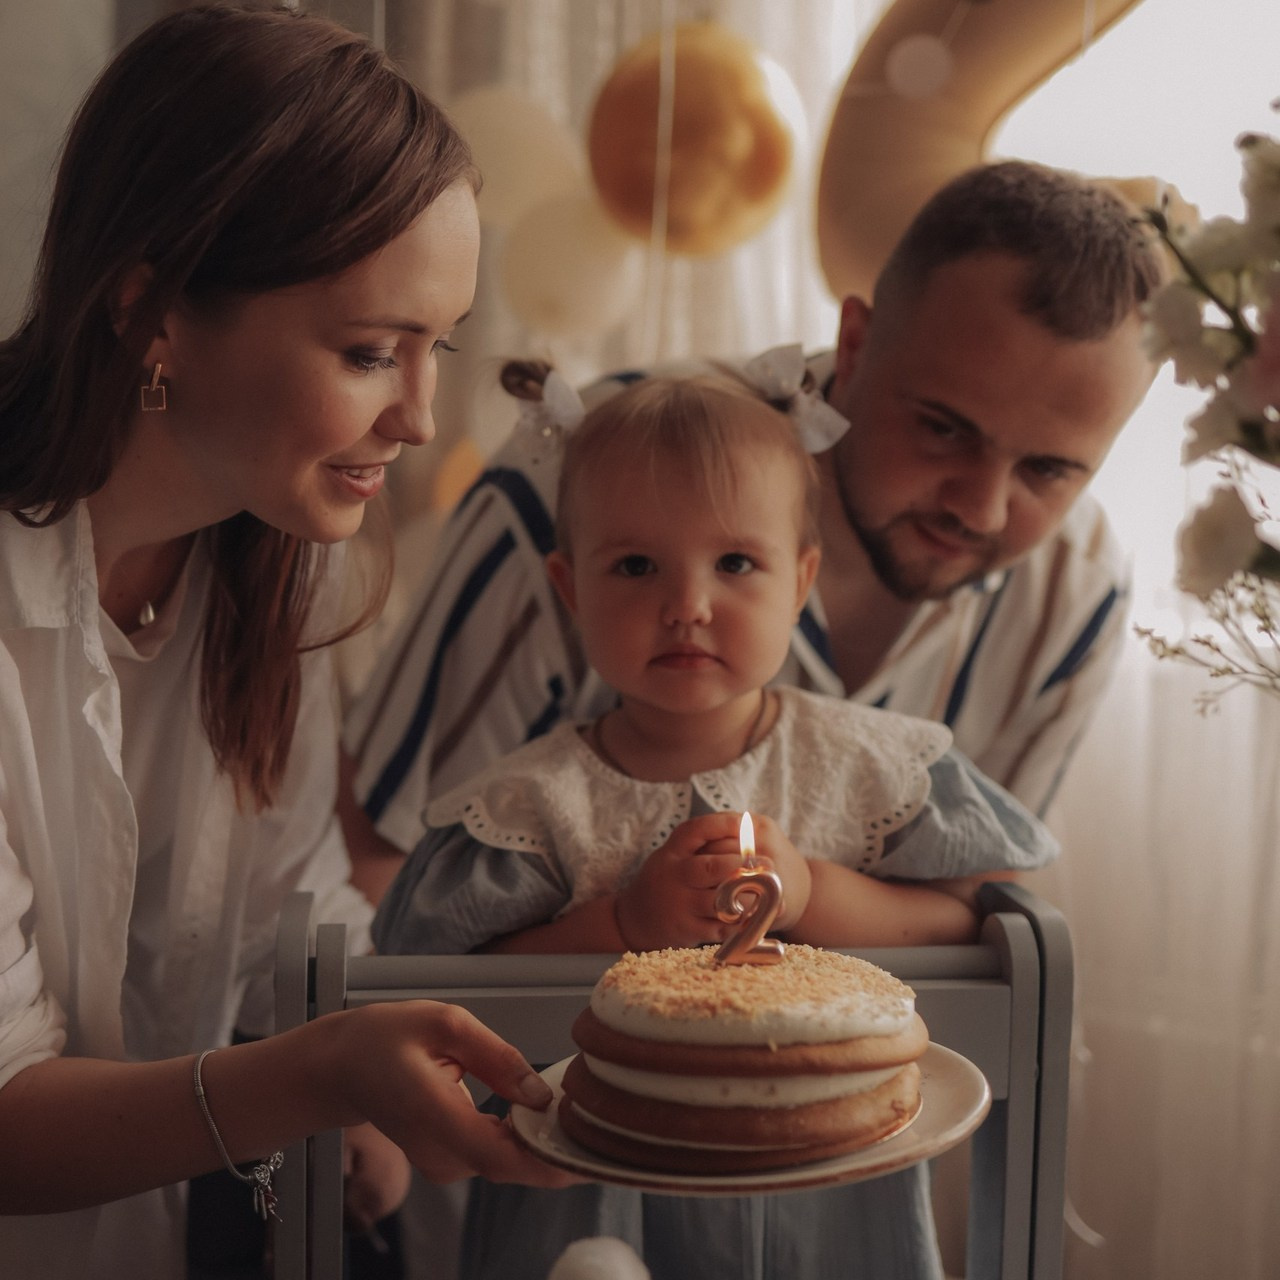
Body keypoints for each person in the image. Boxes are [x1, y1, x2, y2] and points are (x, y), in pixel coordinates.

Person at [0, 8, 573, 1279]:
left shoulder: (279, 552)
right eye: (371, 351)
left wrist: (358, 1073)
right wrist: (314, 1073)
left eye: (438, 350)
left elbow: (290, 902)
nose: (421, 418)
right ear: (151, 308)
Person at [372, 363, 1060, 1280]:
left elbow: (980, 913)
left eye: (735, 563)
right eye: (635, 565)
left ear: (800, 579)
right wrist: (625, 928)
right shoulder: (529, 804)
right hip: (593, 1190)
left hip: (832, 1178)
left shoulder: (869, 768)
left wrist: (815, 891)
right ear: (570, 588)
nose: (687, 604)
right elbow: (443, 989)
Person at [341, 159, 1163, 906]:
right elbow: (385, 859)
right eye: (945, 430)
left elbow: (988, 912)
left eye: (1050, 471)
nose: (981, 509)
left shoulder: (1078, 591)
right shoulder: (570, 487)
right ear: (854, 341)